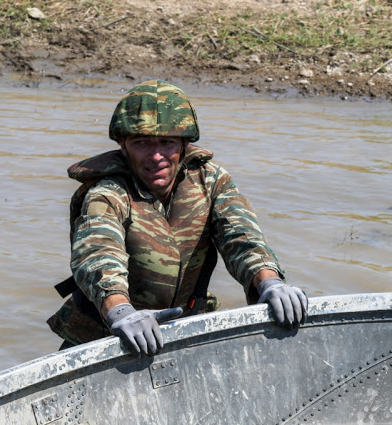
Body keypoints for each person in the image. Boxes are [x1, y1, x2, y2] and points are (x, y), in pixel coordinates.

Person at [48, 79, 307, 357]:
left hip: (185, 328)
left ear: (184, 144)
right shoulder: (107, 193)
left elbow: (241, 237)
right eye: (141, 143)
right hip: (109, 335)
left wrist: (270, 282)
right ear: (123, 145)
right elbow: (98, 253)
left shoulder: (211, 181)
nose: (156, 155)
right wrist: (120, 311)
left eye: (167, 142)